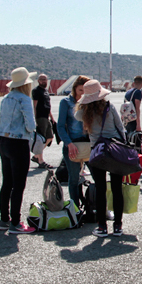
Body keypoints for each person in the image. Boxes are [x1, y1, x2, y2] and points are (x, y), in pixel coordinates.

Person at [75, 79, 126, 237]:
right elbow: (121, 128)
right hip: (114, 150)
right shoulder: (109, 108)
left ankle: (102, 226)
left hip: (97, 151)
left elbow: (76, 115)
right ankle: (117, 226)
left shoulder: (84, 112)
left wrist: (84, 103)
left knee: (100, 189)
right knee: (117, 189)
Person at [0, 67, 38, 234]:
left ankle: (4, 219)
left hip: (4, 140)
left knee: (7, 182)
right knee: (19, 184)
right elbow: (31, 124)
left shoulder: (6, 98)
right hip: (19, 142)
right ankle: (16, 222)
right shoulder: (24, 99)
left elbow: (0, 121)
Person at [58, 75, 90, 209]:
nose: (83, 94)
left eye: (85, 91)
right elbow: (60, 126)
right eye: (80, 90)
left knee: (97, 175)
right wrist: (68, 143)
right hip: (73, 143)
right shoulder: (66, 102)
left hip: (88, 143)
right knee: (74, 178)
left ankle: (95, 206)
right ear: (74, 89)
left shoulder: (90, 102)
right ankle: (75, 208)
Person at [30, 74, 55, 169]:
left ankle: (36, 155)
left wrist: (51, 117)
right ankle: (40, 160)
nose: (44, 81)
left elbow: (48, 105)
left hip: (46, 116)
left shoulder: (46, 91)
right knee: (41, 139)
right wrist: (35, 118)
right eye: (42, 80)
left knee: (50, 137)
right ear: (38, 81)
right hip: (40, 117)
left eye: (45, 79)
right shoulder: (36, 91)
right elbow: (35, 105)